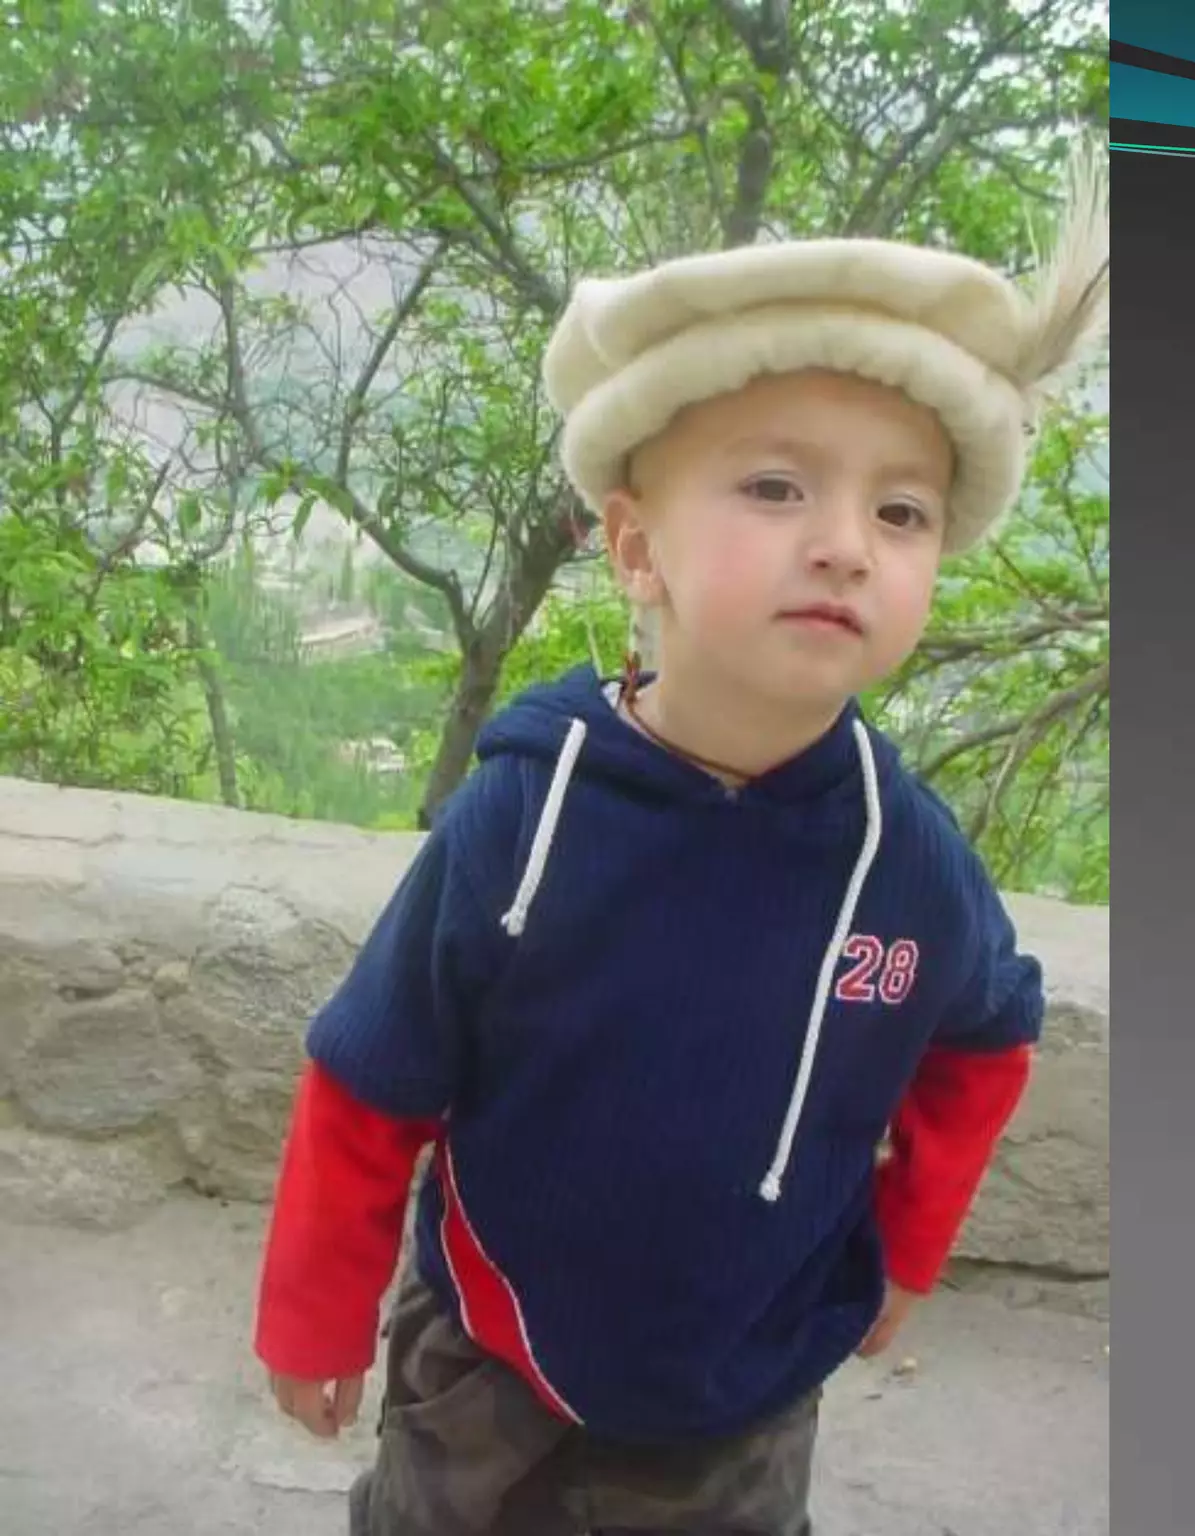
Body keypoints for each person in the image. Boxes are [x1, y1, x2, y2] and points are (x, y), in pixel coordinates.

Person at [251, 141, 1107, 1536]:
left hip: (746, 1388)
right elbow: (371, 1074)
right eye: (775, 488)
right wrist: (314, 1310)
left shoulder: (905, 861)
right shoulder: (527, 820)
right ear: (636, 547)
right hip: (491, 1360)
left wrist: (905, 1249)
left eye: (901, 510)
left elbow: (986, 1036)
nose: (846, 543)